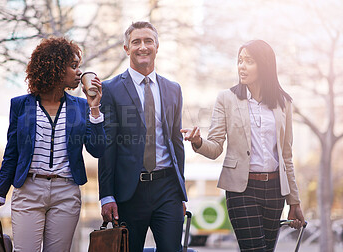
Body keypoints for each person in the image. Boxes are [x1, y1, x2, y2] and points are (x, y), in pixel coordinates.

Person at [181, 40, 305, 251]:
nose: (242, 66)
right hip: (242, 190)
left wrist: (294, 201)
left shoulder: (283, 102)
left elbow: (286, 155)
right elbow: (216, 147)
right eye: (240, 61)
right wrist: (199, 142)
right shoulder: (226, 99)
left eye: (249, 61)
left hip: (275, 190)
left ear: (264, 65)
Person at [0, 37, 105, 251]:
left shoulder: (80, 106)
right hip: (28, 190)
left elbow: (97, 149)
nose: (79, 72)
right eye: (73, 66)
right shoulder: (21, 105)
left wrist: (94, 108)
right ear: (55, 68)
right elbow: (11, 154)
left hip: (66, 192)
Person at [98, 21, 187, 252]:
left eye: (148, 41)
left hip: (168, 188)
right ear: (126, 48)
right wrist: (106, 195)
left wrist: (181, 187)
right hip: (129, 191)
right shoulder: (111, 89)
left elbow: (176, 142)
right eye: (136, 42)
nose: (142, 47)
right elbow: (108, 147)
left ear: (157, 46)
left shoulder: (173, 89)